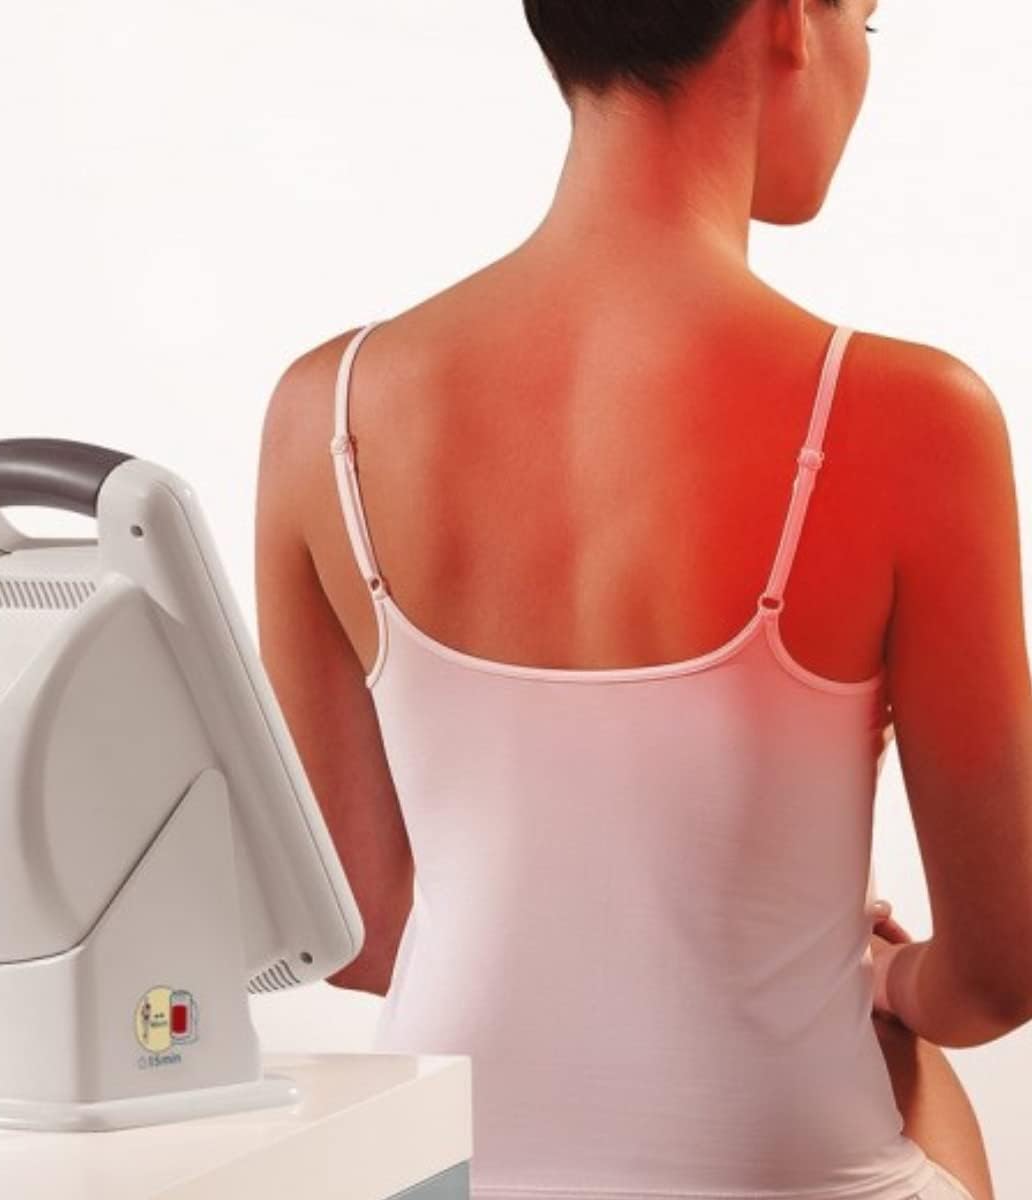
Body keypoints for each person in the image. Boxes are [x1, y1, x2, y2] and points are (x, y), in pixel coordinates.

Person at [254, 2, 1030, 1197]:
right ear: (789, 20)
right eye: (871, 21)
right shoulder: (912, 416)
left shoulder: (326, 409)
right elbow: (999, 974)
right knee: (910, 1068)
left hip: (450, 1168)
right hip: (786, 1170)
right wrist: (885, 977)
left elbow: (353, 931)